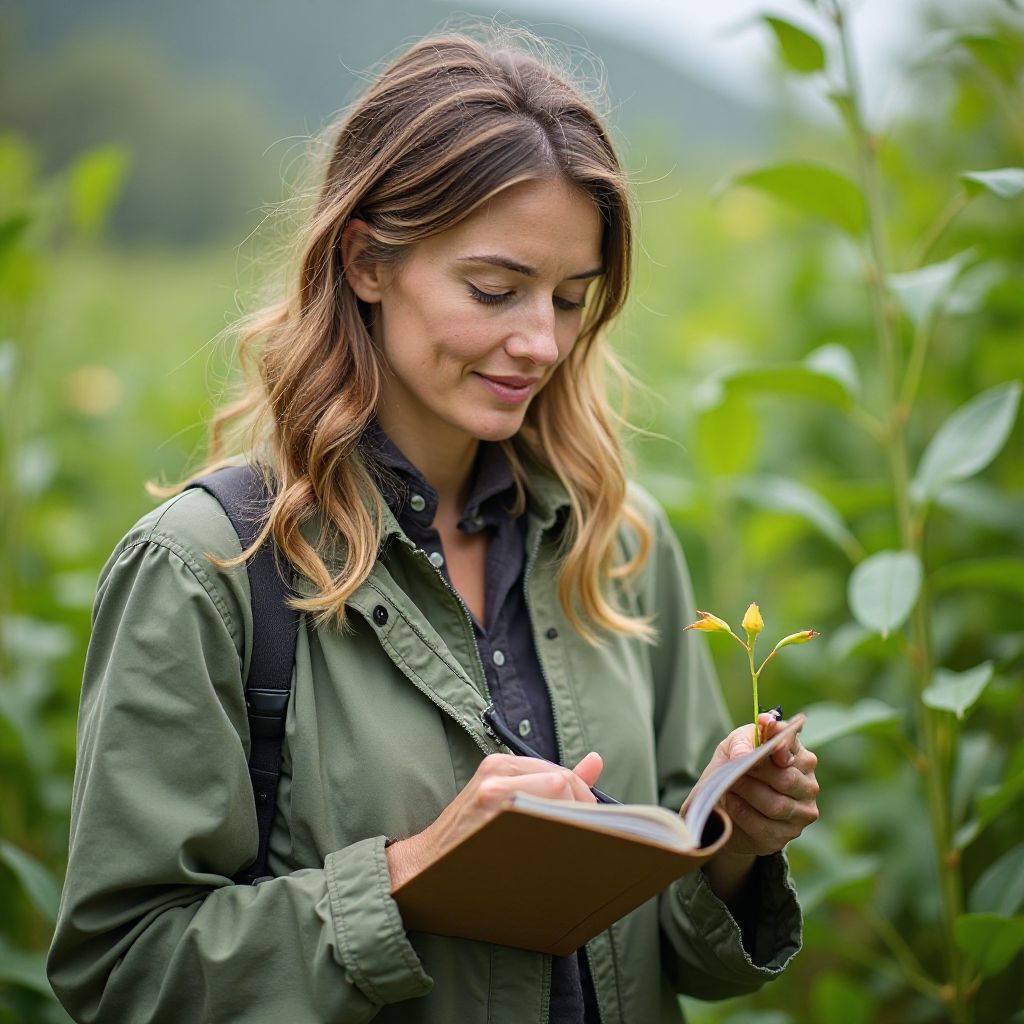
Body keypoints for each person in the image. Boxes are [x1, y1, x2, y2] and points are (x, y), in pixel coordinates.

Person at [47, 28, 820, 1024]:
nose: (539, 341)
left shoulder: (620, 546)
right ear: (369, 262)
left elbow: (685, 957)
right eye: (493, 290)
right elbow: (121, 971)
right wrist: (410, 874)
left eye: (570, 299)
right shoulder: (206, 569)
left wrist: (738, 848)